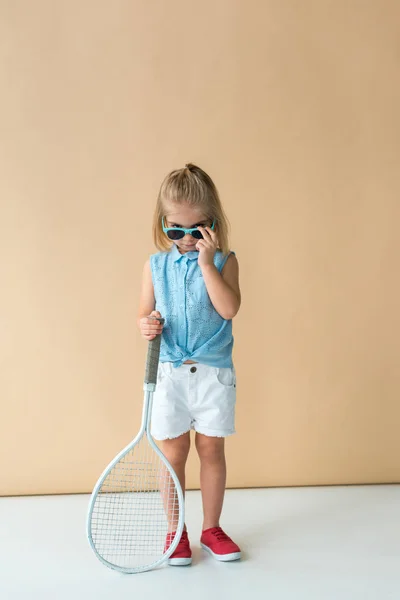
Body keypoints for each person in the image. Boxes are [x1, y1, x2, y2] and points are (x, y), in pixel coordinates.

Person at [137, 163, 241, 566]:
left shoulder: (224, 261)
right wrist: (148, 325)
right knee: (172, 453)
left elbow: (229, 308)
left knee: (211, 450)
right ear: (163, 224)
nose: (184, 239)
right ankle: (175, 530)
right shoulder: (154, 265)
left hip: (213, 374)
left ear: (213, 224)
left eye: (195, 230)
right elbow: (144, 315)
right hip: (169, 374)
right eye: (174, 230)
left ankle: (211, 528)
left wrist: (206, 263)